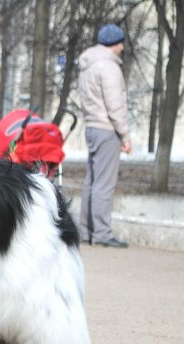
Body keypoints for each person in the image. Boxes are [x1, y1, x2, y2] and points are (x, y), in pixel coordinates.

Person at [77, 23, 132, 248]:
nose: (122, 47)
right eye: (121, 43)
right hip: (107, 128)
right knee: (104, 184)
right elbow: (115, 105)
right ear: (115, 43)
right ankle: (102, 233)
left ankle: (86, 230)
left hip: (91, 126)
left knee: (91, 182)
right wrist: (125, 135)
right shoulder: (108, 67)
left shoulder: (87, 64)